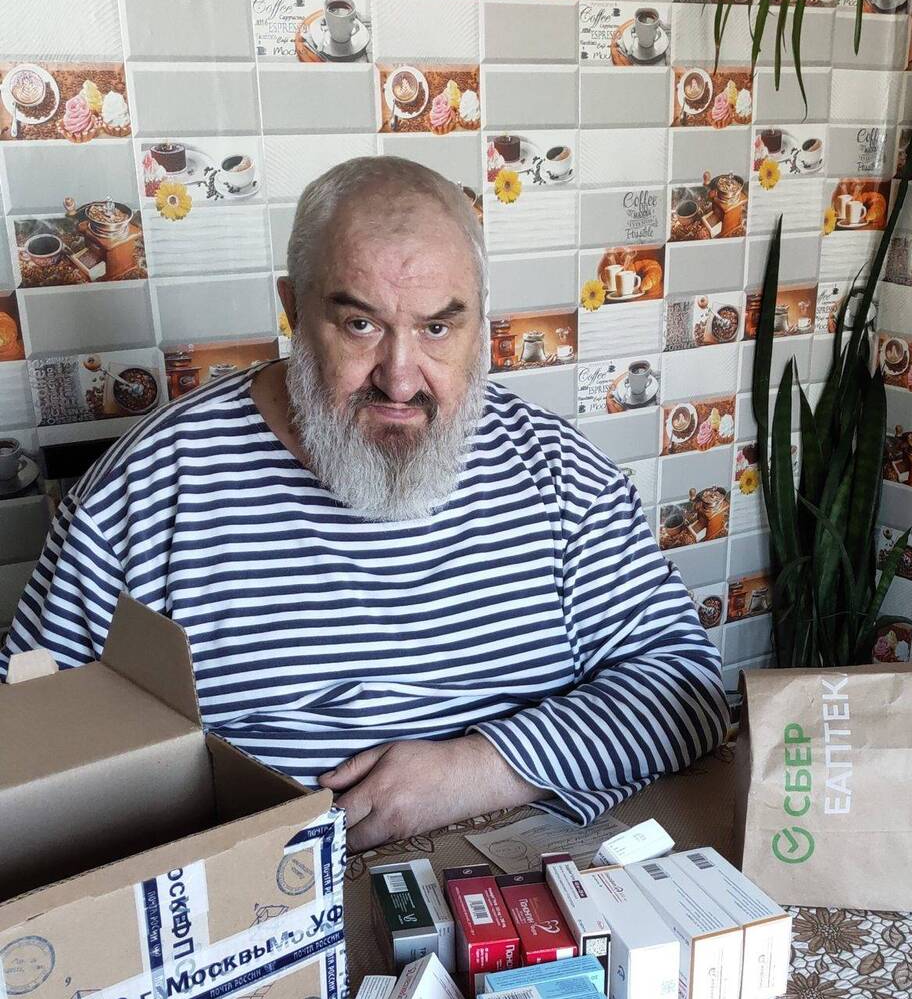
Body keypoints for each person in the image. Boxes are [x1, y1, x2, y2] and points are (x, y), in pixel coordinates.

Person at [1, 157, 729, 848]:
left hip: (533, 880)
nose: (401, 378)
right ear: (293, 309)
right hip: (262, 895)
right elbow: (30, 745)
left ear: (480, 323)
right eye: (361, 325)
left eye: (438, 328)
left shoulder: (560, 474)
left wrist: (481, 770)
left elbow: (687, 692)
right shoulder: (147, 490)